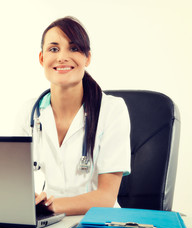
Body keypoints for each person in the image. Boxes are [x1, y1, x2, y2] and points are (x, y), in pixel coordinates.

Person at [14, 16, 131, 216]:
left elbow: (105, 197)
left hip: (99, 223)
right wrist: (30, 200)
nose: (62, 57)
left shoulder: (112, 109)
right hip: (47, 223)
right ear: (42, 58)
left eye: (74, 48)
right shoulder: (29, 112)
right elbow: (15, 186)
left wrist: (48, 207)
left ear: (88, 58)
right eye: (53, 49)